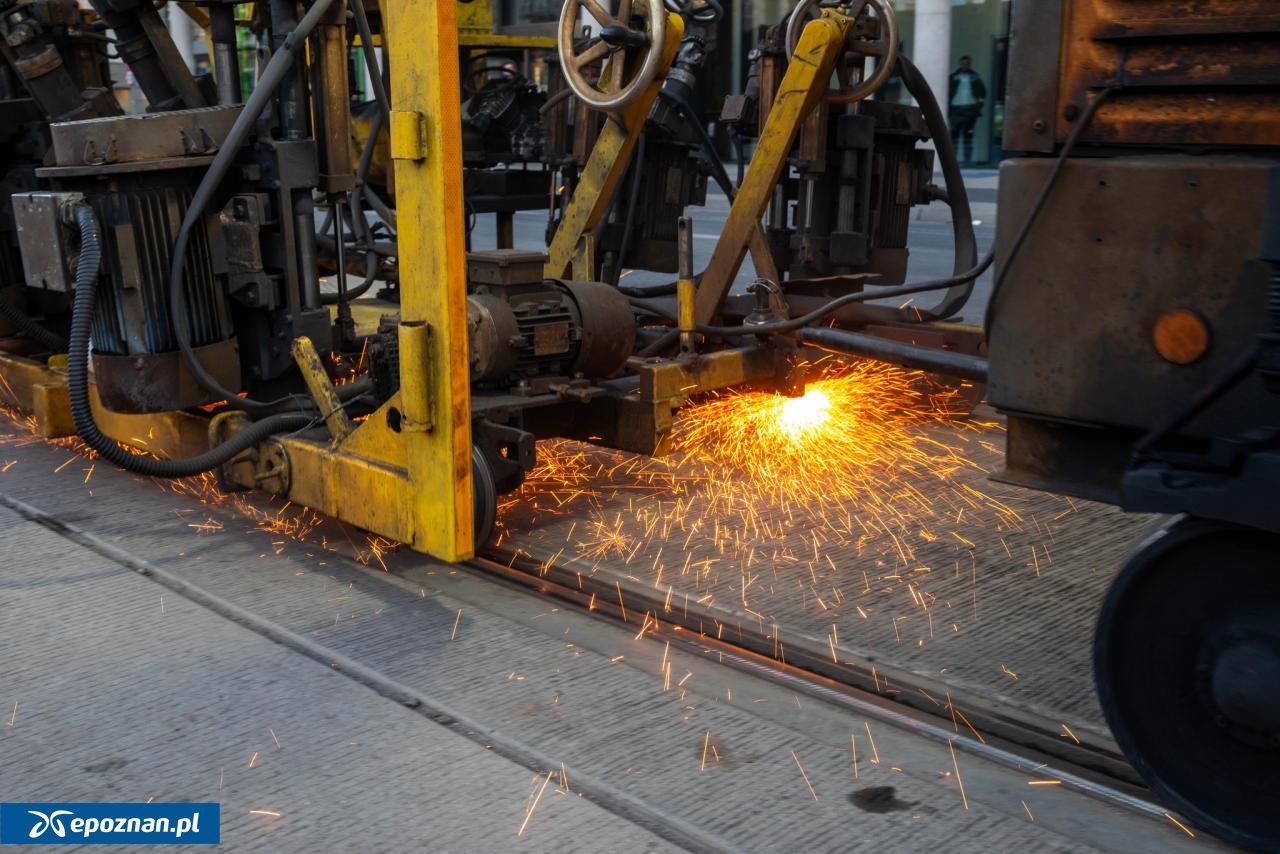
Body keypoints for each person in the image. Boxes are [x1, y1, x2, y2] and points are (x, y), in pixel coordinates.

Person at [948, 56, 987, 166]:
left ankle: (967, 161)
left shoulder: (975, 77)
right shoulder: (953, 77)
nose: (965, 66)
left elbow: (983, 92)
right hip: (956, 109)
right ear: (960, 64)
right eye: (963, 63)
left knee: (968, 136)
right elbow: (947, 91)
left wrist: (978, 106)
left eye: (967, 63)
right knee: (954, 136)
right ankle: (952, 161)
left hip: (970, 109)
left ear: (970, 65)